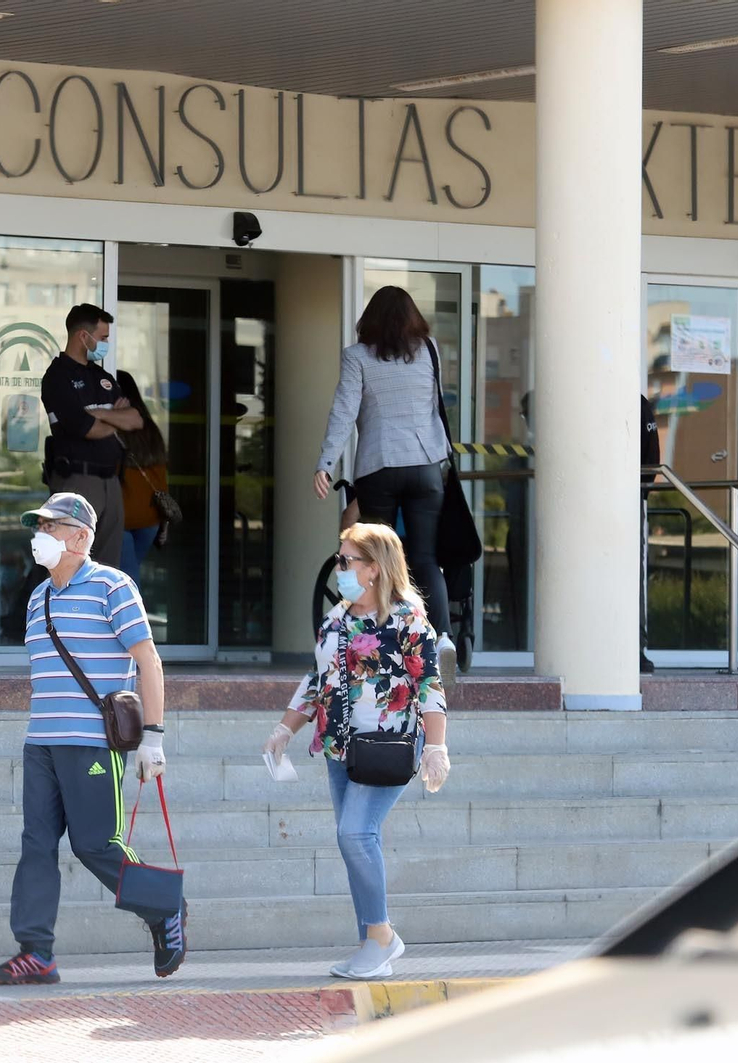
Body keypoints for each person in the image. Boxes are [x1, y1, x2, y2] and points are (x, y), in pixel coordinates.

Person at [0, 492, 186, 985]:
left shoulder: (113, 586)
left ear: (81, 538)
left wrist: (153, 738)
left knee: (95, 844)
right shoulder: (38, 596)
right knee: (36, 844)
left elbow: (148, 663)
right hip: (42, 741)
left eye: (51, 528)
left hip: (93, 742)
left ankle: (164, 907)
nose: (41, 536)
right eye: (40, 527)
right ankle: (36, 952)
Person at [264, 522, 451, 980]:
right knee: (355, 842)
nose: (339, 569)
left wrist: (437, 746)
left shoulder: (408, 619)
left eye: (346, 561)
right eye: (339, 560)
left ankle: (383, 937)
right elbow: (316, 679)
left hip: (386, 748)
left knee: (355, 836)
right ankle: (372, 942)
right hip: (339, 748)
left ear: (374, 569)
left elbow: (428, 684)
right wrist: (285, 728)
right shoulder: (337, 618)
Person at [315, 286, 458, 689]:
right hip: (426, 464)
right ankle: (442, 637)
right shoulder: (429, 350)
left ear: (370, 320)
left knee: (375, 559)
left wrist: (326, 463)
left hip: (379, 465)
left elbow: (344, 411)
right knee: (426, 557)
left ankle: (380, 639)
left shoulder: (357, 356)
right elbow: (433, 405)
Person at [40, 304, 139, 566]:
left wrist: (98, 413)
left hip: (110, 480)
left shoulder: (101, 376)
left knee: (107, 566)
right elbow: (87, 429)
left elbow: (134, 419)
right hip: (78, 480)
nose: (106, 343)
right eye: (103, 337)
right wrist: (109, 418)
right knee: (69, 561)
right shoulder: (57, 377)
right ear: (83, 336)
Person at [113, 369, 170, 582]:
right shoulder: (151, 429)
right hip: (150, 518)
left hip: (122, 518)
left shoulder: (113, 427)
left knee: (127, 583)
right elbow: (160, 478)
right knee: (129, 575)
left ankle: (131, 616)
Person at [641, 393, 661, 674]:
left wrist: (642, 489)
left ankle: (634, 648)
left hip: (630, 501)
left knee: (633, 576)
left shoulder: (638, 403)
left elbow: (651, 456)